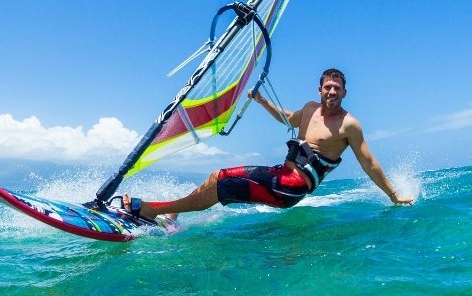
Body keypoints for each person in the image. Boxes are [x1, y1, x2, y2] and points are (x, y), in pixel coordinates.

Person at [123, 68, 413, 222]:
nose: (332, 91)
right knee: (218, 183)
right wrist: (261, 101)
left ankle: (154, 210)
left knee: (220, 179)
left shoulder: (349, 124)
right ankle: (169, 213)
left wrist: (393, 194)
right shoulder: (310, 108)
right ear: (320, 90)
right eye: (328, 87)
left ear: (345, 92)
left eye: (337, 88)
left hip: (291, 186)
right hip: (280, 177)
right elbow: (286, 117)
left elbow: (369, 163)